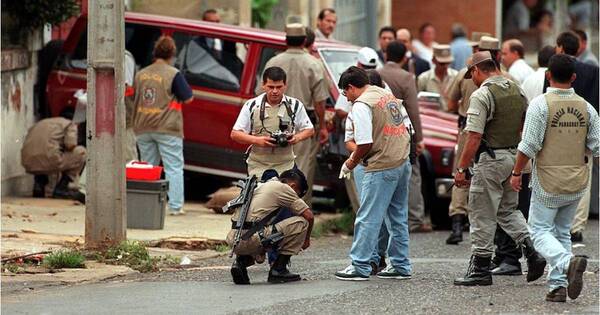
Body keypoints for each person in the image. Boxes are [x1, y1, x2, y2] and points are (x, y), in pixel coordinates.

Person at [509, 54, 598, 302]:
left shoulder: (540, 105)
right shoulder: (587, 108)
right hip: (577, 180)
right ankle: (557, 286)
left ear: (548, 74)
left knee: (538, 231)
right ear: (574, 77)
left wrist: (517, 172)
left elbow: (529, 145)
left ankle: (567, 263)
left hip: (548, 179)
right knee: (562, 233)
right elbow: (598, 146)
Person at [453, 51, 546, 286]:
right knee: (508, 210)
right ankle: (532, 251)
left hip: (491, 160)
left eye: (471, 74)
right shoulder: (516, 89)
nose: (472, 79)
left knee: (482, 213)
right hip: (514, 158)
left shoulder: (482, 94)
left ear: (477, 70)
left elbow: (474, 135)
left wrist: (462, 167)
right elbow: (525, 122)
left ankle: (480, 268)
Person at [335, 66, 412, 280]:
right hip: (402, 161)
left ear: (351, 87)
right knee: (397, 217)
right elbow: (406, 128)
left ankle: (359, 265)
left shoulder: (362, 104)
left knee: (368, 216)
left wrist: (351, 163)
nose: (347, 98)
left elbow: (364, 142)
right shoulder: (386, 95)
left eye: (345, 92)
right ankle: (400, 265)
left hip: (381, 165)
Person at [265, 24, 330, 206]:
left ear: (286, 40)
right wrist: (322, 126)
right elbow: (319, 101)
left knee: (275, 167)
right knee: (301, 169)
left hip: (274, 121)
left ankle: (274, 211)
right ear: (304, 41)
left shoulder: (273, 62)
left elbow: (261, 94)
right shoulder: (314, 64)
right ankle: (298, 213)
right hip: (302, 123)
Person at [131, 35, 193, 216]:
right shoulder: (173, 74)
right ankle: (174, 207)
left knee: (148, 167)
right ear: (172, 54)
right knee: (173, 167)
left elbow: (133, 96)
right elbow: (188, 98)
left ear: (155, 53)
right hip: (167, 128)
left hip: (143, 126)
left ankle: (145, 205)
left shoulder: (141, 74)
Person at [227, 169, 315, 284]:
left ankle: (240, 262)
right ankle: (279, 270)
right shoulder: (284, 188)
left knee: (262, 231)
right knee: (301, 223)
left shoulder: (260, 185)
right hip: (250, 239)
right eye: (297, 194)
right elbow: (309, 216)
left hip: (233, 239)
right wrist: (306, 239)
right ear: (293, 186)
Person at [378, 41, 430, 233]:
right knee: (413, 173)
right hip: (403, 132)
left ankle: (383, 218)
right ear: (404, 58)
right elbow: (413, 110)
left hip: (382, 132)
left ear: (385, 55)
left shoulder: (377, 74)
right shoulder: (407, 77)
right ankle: (415, 219)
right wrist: (419, 137)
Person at [231, 66, 314, 177]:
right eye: (271, 87)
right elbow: (235, 134)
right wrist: (257, 140)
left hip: (286, 164)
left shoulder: (295, 105)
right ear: (263, 85)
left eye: (279, 87)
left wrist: (296, 138)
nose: (275, 91)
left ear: (285, 85)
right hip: (258, 164)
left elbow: (310, 129)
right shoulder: (251, 105)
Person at [21, 117, 86, 203]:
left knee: (43, 154)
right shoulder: (69, 124)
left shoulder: (40, 122)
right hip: (50, 160)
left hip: (28, 162)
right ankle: (62, 188)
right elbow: (70, 144)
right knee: (81, 152)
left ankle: (39, 185)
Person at [417, 44, 458, 111]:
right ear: (433, 61)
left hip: (452, 116)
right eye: (442, 63)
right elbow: (419, 102)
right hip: (433, 117)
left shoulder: (456, 76)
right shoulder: (424, 78)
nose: (445, 66)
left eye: (447, 63)